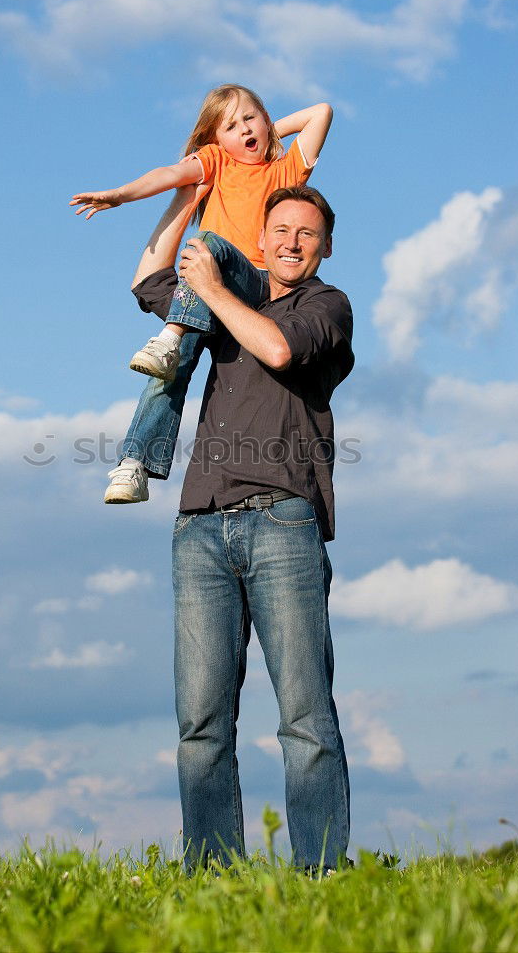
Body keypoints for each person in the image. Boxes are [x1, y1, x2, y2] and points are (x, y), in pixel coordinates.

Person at [131, 181, 354, 872]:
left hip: (284, 523)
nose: (290, 242)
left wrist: (218, 292)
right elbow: (146, 279)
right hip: (198, 529)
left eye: (306, 234)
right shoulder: (216, 303)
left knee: (305, 719)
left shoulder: (326, 306)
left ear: (324, 249)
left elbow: (279, 351)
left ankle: (319, 877)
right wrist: (187, 198)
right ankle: (213, 879)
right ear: (258, 239)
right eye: (280, 229)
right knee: (200, 726)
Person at [69, 85, 333, 503]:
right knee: (171, 367)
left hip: (256, 285)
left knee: (209, 243)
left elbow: (321, 111)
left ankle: (168, 338)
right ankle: (135, 463)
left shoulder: (284, 170)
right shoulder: (214, 161)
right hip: (207, 292)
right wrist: (121, 195)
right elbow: (169, 175)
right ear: (214, 139)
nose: (244, 129)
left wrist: (266, 133)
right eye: (230, 126)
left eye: (250, 118)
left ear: (265, 119)